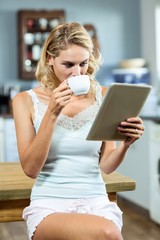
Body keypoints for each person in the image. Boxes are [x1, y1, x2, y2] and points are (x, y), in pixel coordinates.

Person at [13, 22, 145, 240]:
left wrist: (126, 143)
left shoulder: (103, 96)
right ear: (49, 59)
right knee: (108, 233)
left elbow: (106, 165)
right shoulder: (25, 101)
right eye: (68, 64)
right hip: (49, 203)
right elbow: (30, 169)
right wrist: (52, 113)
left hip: (96, 200)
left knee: (105, 230)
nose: (77, 72)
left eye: (83, 63)